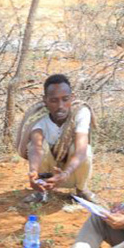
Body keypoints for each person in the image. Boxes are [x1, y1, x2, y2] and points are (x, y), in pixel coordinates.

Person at [22, 73, 94, 203]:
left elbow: (81, 150)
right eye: (54, 100)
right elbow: (36, 147)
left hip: (70, 173)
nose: (60, 105)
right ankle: (41, 189)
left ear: (72, 98)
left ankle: (82, 190)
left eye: (65, 99)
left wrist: (65, 174)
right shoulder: (38, 117)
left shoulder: (80, 112)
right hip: (49, 175)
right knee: (36, 145)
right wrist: (33, 172)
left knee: (86, 150)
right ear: (45, 100)